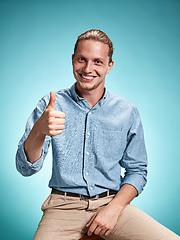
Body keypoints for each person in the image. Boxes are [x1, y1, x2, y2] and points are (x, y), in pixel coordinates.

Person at [16, 29, 179, 240]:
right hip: (62, 207)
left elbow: (137, 171)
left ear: (109, 66)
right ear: (73, 60)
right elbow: (25, 168)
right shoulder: (51, 106)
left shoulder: (127, 111)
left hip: (112, 204)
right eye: (81, 59)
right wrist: (39, 130)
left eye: (97, 62)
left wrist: (114, 209)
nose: (87, 68)